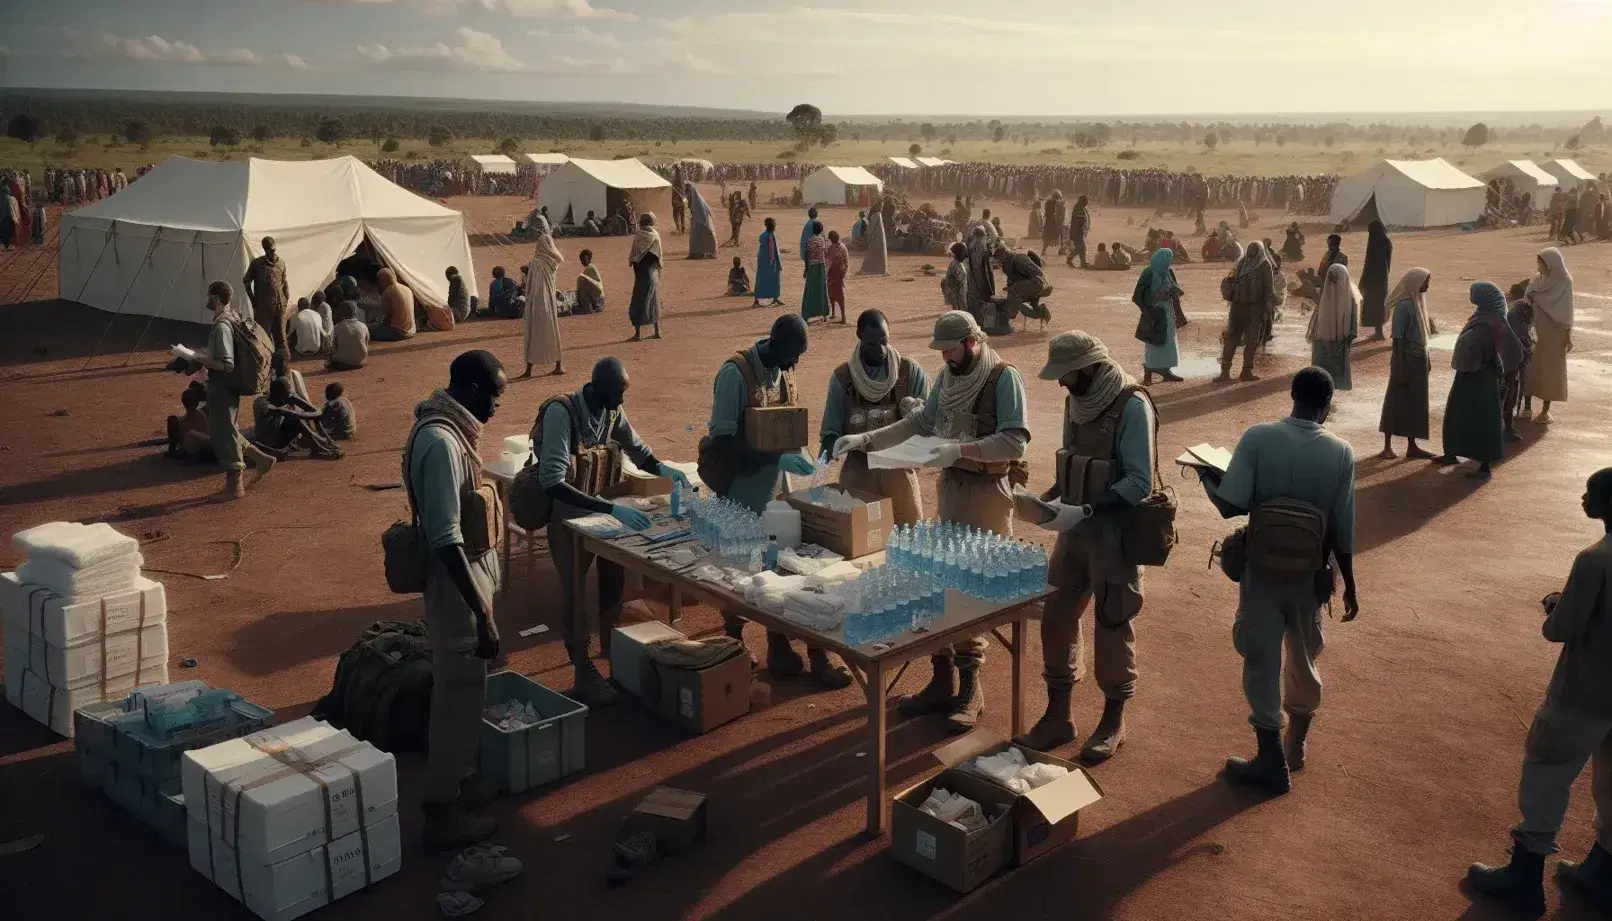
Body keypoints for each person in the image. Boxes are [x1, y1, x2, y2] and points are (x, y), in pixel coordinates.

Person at [833, 311, 1030, 733]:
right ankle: (942, 680)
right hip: (952, 489)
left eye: (949, 348)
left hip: (986, 495)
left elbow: (1015, 439)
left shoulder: (1002, 379)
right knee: (940, 585)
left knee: (972, 594)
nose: (943, 356)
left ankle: (971, 688)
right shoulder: (947, 377)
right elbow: (921, 421)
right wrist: (866, 440)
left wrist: (963, 452)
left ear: (972, 342)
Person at [1197, 366, 1360, 795]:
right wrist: (1350, 588)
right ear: (1326, 406)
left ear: (1291, 395)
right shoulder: (1341, 452)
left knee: (1260, 657)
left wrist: (1207, 479)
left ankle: (1269, 756)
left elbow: (1231, 506)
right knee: (1305, 656)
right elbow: (1342, 532)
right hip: (1309, 576)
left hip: (1263, 572)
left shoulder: (1257, 437)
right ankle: (1297, 745)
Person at [1465, 467, 1612, 917]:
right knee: (1610, 784)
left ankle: (1526, 877)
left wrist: (1553, 605)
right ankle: (1602, 870)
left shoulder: (1595, 558)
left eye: (1592, 493)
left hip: (1584, 690)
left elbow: (1562, 628)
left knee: (1547, 774)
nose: (1584, 498)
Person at [1015, 332, 1156, 762]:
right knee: (1055, 617)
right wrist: (1049, 502)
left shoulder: (1132, 405)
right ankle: (1059, 715)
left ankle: (1114, 721)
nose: (1061, 383)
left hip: (1113, 536)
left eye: (1067, 375)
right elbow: (1071, 461)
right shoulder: (1076, 401)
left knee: (1113, 627)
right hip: (1073, 532)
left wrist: (1089, 510)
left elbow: (1139, 482)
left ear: (1091, 366)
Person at [701, 315, 848, 685]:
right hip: (741, 490)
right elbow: (723, 440)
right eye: (791, 355)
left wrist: (809, 458)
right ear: (774, 343)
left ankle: (779, 643)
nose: (794, 365)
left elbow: (787, 423)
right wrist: (774, 457)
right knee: (739, 569)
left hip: (775, 488)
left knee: (783, 567)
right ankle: (731, 646)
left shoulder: (783, 370)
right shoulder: (736, 375)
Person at [534, 357, 691, 704]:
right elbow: (552, 482)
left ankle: (612, 649)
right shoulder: (563, 413)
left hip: (601, 515)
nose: (622, 401)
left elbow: (639, 450)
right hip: (569, 519)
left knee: (614, 578)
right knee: (575, 595)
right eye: (618, 392)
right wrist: (612, 509)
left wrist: (666, 469)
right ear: (598, 387)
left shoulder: (611, 412)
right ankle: (581, 667)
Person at [406, 350, 507, 849]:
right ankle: (441, 810)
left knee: (467, 692)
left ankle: (461, 780)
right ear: (468, 388)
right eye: (492, 395)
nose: (495, 407)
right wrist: (482, 613)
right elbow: (446, 539)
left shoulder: (450, 430)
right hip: (457, 590)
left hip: (466, 581)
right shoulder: (442, 444)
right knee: (457, 699)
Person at [819, 310, 931, 525]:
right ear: (859, 336)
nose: (880, 350)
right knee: (860, 540)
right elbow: (830, 433)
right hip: (859, 471)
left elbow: (927, 426)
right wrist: (823, 463)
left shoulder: (910, 372)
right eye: (872, 343)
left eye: (884, 341)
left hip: (899, 472)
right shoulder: (842, 379)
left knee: (907, 540)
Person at [190, 281, 275, 498]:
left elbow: (226, 364)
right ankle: (262, 459)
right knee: (227, 429)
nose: (207, 299)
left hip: (222, 386)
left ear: (216, 298)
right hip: (228, 386)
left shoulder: (222, 326)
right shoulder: (232, 318)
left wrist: (199, 359)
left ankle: (235, 486)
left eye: (210, 295)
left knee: (223, 434)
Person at [1438, 283, 1523, 480]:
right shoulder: (1482, 315)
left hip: (1484, 378)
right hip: (1467, 373)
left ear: (1484, 297)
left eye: (1473, 292)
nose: (1471, 295)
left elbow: (1512, 352)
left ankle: (1485, 467)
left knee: (1483, 420)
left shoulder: (1495, 322)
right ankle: (1451, 453)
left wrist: (1502, 372)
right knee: (1457, 413)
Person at [1377, 268, 1436, 459]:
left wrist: (1427, 359)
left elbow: (1423, 336)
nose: (1427, 285)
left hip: (1418, 360)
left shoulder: (1418, 302)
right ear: (1414, 283)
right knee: (1395, 401)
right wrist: (1400, 367)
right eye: (1425, 282)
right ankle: (1387, 447)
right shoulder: (1404, 306)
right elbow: (1398, 340)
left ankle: (1412, 445)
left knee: (1416, 403)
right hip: (1405, 360)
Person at [1524, 248, 1573, 425]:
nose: (1538, 267)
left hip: (1555, 332)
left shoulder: (1564, 282)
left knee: (1550, 372)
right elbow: (1526, 301)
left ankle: (1545, 411)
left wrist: (1568, 335)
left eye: (1541, 263)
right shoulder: (1537, 281)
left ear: (1551, 264)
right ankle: (1526, 407)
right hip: (1535, 329)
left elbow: (1567, 311)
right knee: (1530, 368)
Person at [1219, 242, 1275, 383]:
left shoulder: (1243, 264)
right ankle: (1240, 372)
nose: (1249, 251)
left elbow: (1268, 290)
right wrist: (1268, 310)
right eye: (1249, 248)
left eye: (1252, 249)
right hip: (1248, 308)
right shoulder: (1262, 265)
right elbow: (1269, 290)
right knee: (1245, 340)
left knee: (1241, 339)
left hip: (1244, 308)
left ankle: (1231, 372)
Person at [253, 377, 344, 461]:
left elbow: (312, 410)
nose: (286, 400)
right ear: (277, 394)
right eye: (285, 397)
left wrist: (325, 437)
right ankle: (320, 447)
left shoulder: (280, 399)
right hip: (268, 441)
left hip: (279, 435)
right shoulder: (261, 403)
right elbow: (288, 413)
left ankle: (320, 445)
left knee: (299, 417)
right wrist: (312, 414)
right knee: (296, 419)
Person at [520, 217, 565, 379]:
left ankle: (529, 370)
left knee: (533, 336)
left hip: (537, 303)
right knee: (552, 333)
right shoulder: (553, 263)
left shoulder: (537, 263)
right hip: (550, 303)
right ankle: (559, 365)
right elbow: (551, 284)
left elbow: (532, 286)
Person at [1307, 264, 1359, 390]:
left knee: (1324, 372)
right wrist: (1350, 335)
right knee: (1331, 371)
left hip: (1327, 339)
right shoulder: (1347, 295)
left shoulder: (1329, 293)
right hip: (1336, 339)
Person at [1136, 248, 1184, 385]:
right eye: (1168, 259)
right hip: (1153, 312)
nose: (1170, 262)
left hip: (1167, 312)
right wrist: (1152, 301)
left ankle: (1165, 371)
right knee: (1153, 343)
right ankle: (1148, 372)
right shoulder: (1148, 273)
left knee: (1168, 342)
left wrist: (1173, 293)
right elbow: (1138, 295)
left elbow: (1175, 289)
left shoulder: (1168, 271)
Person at [242, 236, 292, 367]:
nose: (272, 253)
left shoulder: (280, 262)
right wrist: (253, 300)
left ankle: (283, 364)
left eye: (273, 250)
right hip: (263, 306)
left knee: (280, 336)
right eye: (269, 250)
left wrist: (286, 297)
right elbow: (246, 281)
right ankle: (265, 364)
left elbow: (284, 282)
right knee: (263, 336)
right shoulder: (257, 264)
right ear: (265, 250)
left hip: (279, 305)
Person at [991, 243, 1053, 334]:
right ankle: (1040, 311)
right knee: (1019, 301)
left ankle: (1006, 324)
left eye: (998, 257)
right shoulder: (1017, 256)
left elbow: (1012, 283)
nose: (998, 260)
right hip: (1044, 285)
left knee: (1014, 294)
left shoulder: (1010, 260)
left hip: (1036, 284)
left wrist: (1008, 306)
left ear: (1003, 254)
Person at [1505, 292, 1535, 442]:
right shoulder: (1516, 325)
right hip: (1511, 367)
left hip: (1512, 366)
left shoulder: (1512, 319)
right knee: (1510, 394)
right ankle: (1507, 427)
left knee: (1512, 392)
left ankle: (1507, 425)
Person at [628, 213, 663, 341]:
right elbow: (658, 255)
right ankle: (657, 331)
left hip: (643, 271)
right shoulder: (655, 235)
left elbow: (634, 255)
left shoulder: (639, 235)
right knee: (654, 300)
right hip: (653, 271)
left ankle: (637, 334)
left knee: (638, 301)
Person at [1360, 221, 1393, 340]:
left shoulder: (1374, 243)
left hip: (1373, 279)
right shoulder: (1386, 241)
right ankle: (1379, 332)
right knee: (1379, 305)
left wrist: (1363, 282)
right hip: (1383, 278)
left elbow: (1368, 263)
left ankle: (1379, 333)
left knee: (1374, 305)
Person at [165, 383, 213, 461]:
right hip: (197, 445)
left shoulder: (201, 414)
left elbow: (206, 437)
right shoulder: (198, 414)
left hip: (203, 445)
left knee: (192, 434)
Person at [370, 268, 416, 342]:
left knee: (367, 329)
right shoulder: (407, 289)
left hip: (398, 333)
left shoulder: (388, 291)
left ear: (383, 280)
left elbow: (385, 312)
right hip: (412, 331)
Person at [800, 221, 830, 323]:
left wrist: (806, 269)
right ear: (821, 230)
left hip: (812, 267)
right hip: (821, 267)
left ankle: (807, 314)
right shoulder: (823, 240)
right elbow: (825, 253)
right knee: (822, 289)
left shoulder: (809, 241)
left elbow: (806, 257)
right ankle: (824, 313)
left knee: (810, 291)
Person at [966, 226, 997, 321]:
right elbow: (977, 264)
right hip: (978, 276)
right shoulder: (979, 245)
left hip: (975, 276)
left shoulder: (974, 244)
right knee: (980, 296)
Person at [329, 302, 370, 371]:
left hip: (343, 360)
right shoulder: (363, 326)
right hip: (360, 361)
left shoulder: (338, 327)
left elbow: (334, 347)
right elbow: (366, 343)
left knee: (328, 359)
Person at [753, 216, 784, 308]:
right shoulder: (767, 236)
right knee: (763, 280)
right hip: (767, 261)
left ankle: (774, 298)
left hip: (769, 261)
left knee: (772, 279)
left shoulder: (766, 235)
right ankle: (757, 300)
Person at [684, 183, 717, 259]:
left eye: (688, 191)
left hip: (703, 221)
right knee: (695, 237)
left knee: (704, 236)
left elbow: (702, 212)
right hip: (697, 220)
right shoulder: (692, 199)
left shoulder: (698, 199)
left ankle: (703, 252)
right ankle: (696, 252)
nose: (686, 193)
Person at [825, 229, 850, 323]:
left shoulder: (839, 248)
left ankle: (843, 317)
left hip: (837, 275)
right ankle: (834, 314)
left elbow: (830, 259)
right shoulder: (837, 247)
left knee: (839, 296)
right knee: (832, 295)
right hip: (833, 275)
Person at [941, 241, 970, 316]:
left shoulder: (957, 264)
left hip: (960, 289)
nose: (952, 255)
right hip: (958, 289)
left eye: (954, 253)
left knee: (961, 308)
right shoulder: (958, 263)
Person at [859, 207, 888, 276]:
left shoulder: (875, 219)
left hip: (875, 244)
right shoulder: (878, 219)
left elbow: (870, 233)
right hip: (877, 243)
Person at [574, 249, 604, 315]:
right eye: (581, 259)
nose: (582, 261)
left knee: (581, 279)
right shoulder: (590, 268)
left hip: (598, 300)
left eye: (584, 259)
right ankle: (589, 307)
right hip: (598, 299)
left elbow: (580, 286)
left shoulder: (590, 268)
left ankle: (587, 309)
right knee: (582, 282)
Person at [1065, 194, 1091, 268]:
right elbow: (1077, 222)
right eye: (1086, 201)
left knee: (1080, 247)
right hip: (1076, 232)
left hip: (1077, 231)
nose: (1087, 203)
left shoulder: (1079, 207)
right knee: (1081, 247)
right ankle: (1083, 263)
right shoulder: (1079, 208)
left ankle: (1070, 259)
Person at [1041, 190, 1065, 256]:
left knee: (1047, 239)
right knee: (1062, 235)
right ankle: (1061, 249)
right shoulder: (1059, 205)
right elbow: (1062, 217)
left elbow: (1046, 214)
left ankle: (1043, 251)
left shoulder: (1048, 203)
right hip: (1053, 225)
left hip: (1049, 224)